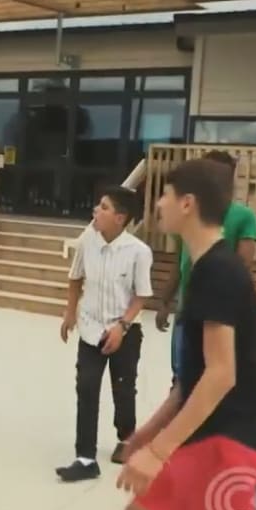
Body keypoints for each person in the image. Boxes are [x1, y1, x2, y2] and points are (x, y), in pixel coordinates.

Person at [118, 158, 256, 510]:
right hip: (199, 438)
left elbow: (221, 374)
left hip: (230, 446)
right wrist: (146, 436)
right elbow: (191, 378)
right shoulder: (202, 269)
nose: (158, 205)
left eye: (164, 195)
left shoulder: (220, 271)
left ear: (187, 203)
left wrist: (158, 450)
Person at [57, 186, 153, 482]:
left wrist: (121, 327)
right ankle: (85, 457)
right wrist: (70, 313)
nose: (96, 211)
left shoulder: (139, 252)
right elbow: (75, 278)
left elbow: (141, 296)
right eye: (98, 206)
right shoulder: (88, 241)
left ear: (121, 218)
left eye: (104, 207)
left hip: (124, 330)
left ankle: (126, 437)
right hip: (90, 327)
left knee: (123, 389)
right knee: (86, 387)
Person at [155, 150, 256, 381]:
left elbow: (243, 265)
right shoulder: (189, 217)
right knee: (182, 373)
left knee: (207, 370)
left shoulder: (243, 217)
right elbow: (180, 261)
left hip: (216, 299)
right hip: (187, 298)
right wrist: (165, 300)